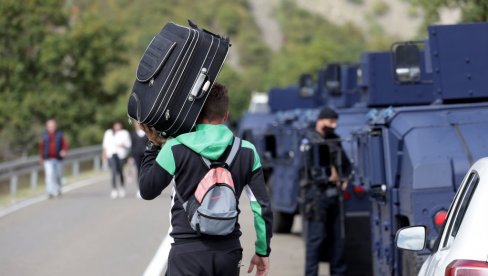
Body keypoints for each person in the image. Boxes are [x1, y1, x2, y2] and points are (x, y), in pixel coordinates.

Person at [138, 83, 273, 276]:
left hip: (186, 251)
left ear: (195, 114)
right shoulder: (247, 151)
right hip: (228, 252)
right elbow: (262, 207)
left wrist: (152, 145)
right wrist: (262, 250)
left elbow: (147, 190)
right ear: (226, 115)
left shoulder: (175, 147)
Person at [303, 107, 351, 276]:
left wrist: (344, 178)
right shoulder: (308, 140)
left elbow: (346, 165)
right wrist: (325, 175)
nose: (334, 125)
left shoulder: (335, 140)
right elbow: (306, 170)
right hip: (316, 196)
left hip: (334, 195)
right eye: (331, 121)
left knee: (338, 241)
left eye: (335, 122)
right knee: (315, 242)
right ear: (321, 120)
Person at [102, 119, 131, 199]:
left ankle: (122, 187)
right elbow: (105, 145)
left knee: (121, 171)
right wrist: (104, 155)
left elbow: (128, 145)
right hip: (111, 155)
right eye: (116, 125)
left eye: (119, 125)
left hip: (121, 155)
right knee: (114, 171)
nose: (117, 126)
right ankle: (114, 189)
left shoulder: (125, 133)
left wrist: (122, 145)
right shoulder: (108, 133)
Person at [39, 119, 68, 198]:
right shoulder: (44, 135)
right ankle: (49, 191)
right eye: (50, 126)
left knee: (57, 175)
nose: (51, 128)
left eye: (53, 126)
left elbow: (65, 144)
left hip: (58, 158)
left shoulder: (60, 134)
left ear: (55, 126)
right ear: (47, 127)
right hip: (47, 159)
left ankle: (58, 189)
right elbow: (41, 147)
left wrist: (64, 151)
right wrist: (41, 157)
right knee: (49, 174)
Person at [130, 122, 148, 197]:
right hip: (136, 155)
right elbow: (132, 146)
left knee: (145, 170)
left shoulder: (146, 133)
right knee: (138, 172)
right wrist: (130, 157)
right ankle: (140, 188)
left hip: (145, 154)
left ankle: (146, 188)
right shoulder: (133, 134)